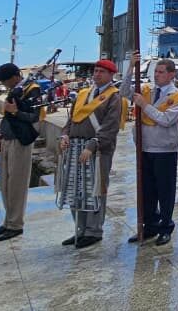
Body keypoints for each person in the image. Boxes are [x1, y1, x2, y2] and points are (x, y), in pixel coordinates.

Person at [59, 59, 123, 249]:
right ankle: (80, 229)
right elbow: (71, 119)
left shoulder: (113, 97)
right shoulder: (83, 94)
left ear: (111, 75)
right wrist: (64, 135)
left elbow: (110, 127)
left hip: (97, 150)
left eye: (102, 72)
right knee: (75, 188)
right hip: (75, 147)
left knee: (95, 189)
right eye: (96, 71)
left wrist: (92, 145)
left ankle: (94, 230)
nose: (97, 74)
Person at [128, 55, 178, 246]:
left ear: (171, 74)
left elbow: (166, 119)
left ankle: (166, 226)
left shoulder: (177, 96)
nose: (157, 75)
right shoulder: (146, 90)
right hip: (144, 147)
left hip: (164, 150)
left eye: (161, 72)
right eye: (155, 71)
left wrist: (144, 106)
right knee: (148, 191)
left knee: (165, 190)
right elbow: (122, 91)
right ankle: (150, 225)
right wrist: (130, 67)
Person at [0, 63, 43, 242]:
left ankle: (16, 224)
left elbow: (35, 116)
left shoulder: (32, 89)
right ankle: (8, 221)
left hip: (21, 140)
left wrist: (16, 112)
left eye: (6, 81)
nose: (5, 85)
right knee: (5, 184)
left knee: (17, 185)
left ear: (16, 76)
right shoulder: (17, 89)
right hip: (7, 139)